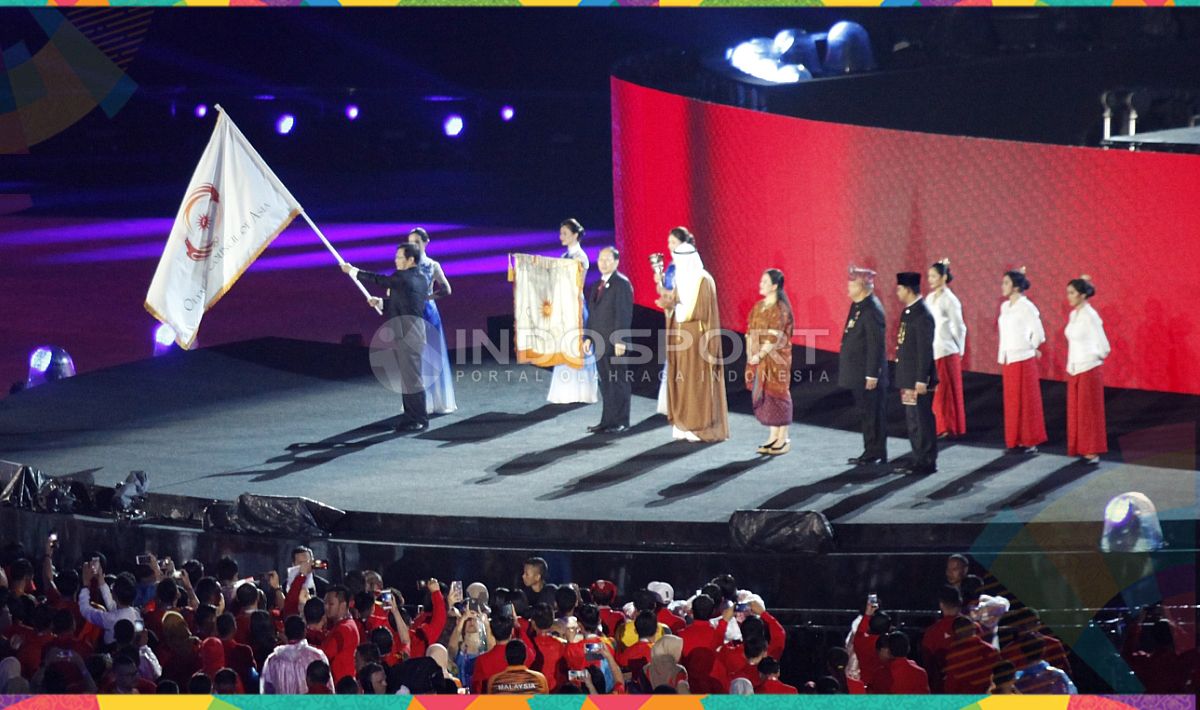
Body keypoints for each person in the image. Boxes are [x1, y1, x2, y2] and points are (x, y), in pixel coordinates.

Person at [342, 243, 431, 432]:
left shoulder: (403, 277)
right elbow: (405, 301)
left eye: (399, 257)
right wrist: (381, 302)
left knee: (412, 379)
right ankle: (410, 417)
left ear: (410, 260)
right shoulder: (421, 278)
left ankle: (420, 419)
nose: (396, 260)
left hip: (409, 333)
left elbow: (380, 280)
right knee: (408, 378)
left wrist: (354, 271)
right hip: (412, 331)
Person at [659, 227, 729, 442]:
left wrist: (675, 304)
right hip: (680, 339)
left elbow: (697, 311)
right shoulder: (682, 279)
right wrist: (669, 306)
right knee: (681, 381)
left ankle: (698, 425)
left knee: (695, 383)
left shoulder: (703, 280)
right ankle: (683, 423)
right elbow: (678, 308)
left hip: (698, 341)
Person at [839, 266, 888, 465]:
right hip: (857, 372)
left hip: (868, 375)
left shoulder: (872, 309)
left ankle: (876, 452)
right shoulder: (857, 306)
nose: (848, 288)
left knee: (873, 414)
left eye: (851, 284)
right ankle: (870, 450)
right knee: (866, 413)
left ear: (862, 286)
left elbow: (876, 344)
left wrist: (872, 374)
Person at [547, 218, 599, 405]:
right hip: (564, 305)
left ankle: (582, 391)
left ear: (575, 235)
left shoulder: (580, 257)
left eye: (565, 234)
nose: (561, 237)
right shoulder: (564, 257)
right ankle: (567, 391)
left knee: (577, 346)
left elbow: (577, 285)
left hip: (574, 305)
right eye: (561, 233)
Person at [406, 227, 457, 415]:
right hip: (412, 313)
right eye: (411, 242)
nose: (414, 245)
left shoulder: (433, 265)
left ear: (426, 243)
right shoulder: (406, 265)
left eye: (417, 242)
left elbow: (446, 289)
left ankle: (436, 400)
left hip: (429, 313)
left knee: (432, 357)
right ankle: (419, 402)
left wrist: (428, 297)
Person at [997, 268, 1047, 453]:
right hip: (1009, 358)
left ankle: (1029, 440)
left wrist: (1031, 348)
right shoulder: (1004, 307)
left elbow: (1039, 333)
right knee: (1011, 401)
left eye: (1007, 283)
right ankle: (1014, 439)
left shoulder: (1027, 306)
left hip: (1023, 358)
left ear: (1016, 287)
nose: (1003, 286)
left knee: (1026, 401)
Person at [893, 272, 938, 475]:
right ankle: (917, 457)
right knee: (913, 420)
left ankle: (927, 460)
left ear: (909, 289)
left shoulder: (922, 314)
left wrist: (922, 378)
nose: (897, 292)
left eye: (900, 288)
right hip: (907, 377)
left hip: (918, 379)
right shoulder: (909, 312)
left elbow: (925, 350)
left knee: (922, 419)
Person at [745, 269, 794, 455]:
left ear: (774, 286)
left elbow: (774, 337)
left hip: (776, 360)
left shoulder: (781, 309)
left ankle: (783, 438)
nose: (761, 284)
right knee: (766, 397)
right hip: (758, 358)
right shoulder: (759, 306)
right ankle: (773, 436)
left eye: (765, 282)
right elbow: (749, 331)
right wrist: (751, 352)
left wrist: (760, 354)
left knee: (778, 395)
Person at [586, 246, 634, 434]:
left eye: (608, 260)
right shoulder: (597, 283)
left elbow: (623, 314)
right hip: (599, 342)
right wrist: (588, 336)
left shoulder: (621, 284)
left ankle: (621, 421)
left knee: (618, 381)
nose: (603, 263)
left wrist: (620, 340)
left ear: (616, 262)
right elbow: (593, 313)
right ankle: (607, 421)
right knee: (605, 383)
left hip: (615, 343)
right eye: (600, 259)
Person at [1065, 275, 1110, 464]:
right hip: (1075, 367)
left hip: (1089, 367)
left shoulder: (1091, 316)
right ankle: (1081, 447)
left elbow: (1104, 346)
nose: (1069, 297)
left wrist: (1093, 358)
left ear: (1083, 295)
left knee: (1089, 411)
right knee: (1078, 410)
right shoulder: (1074, 315)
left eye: (1072, 293)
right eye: (1068, 293)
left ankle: (1092, 450)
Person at [926, 259, 967, 438]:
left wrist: (959, 349)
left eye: (934, 276)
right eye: (929, 276)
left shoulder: (950, 300)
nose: (931, 280)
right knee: (936, 391)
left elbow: (959, 327)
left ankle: (949, 426)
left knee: (946, 390)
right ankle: (939, 425)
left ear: (943, 277)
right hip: (933, 349)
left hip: (947, 349)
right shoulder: (929, 298)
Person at [261, 615, 329, 694]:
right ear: (305, 631)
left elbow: (266, 691)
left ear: (285, 632)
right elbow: (327, 687)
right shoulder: (317, 656)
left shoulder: (273, 660)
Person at [320, 585, 361, 684]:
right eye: (325, 603)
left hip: (341, 687)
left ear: (343, 605)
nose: (326, 607)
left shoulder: (344, 628)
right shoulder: (346, 624)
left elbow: (324, 654)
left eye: (331, 604)